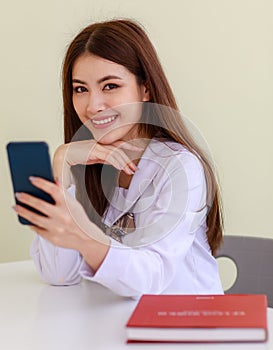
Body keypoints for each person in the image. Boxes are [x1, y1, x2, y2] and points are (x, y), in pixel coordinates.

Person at [13, 19, 224, 298]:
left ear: (145, 89)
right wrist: (62, 163)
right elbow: (59, 274)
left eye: (110, 86)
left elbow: (151, 278)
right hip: (117, 324)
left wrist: (84, 237)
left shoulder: (180, 167)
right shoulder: (88, 163)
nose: (93, 106)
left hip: (188, 327)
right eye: (80, 89)